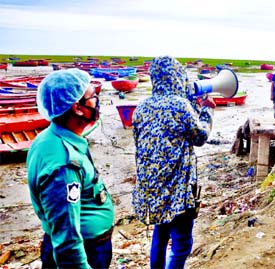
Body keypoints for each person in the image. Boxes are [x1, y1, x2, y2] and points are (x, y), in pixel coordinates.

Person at [132, 56, 215, 269]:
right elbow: (200, 137)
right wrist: (206, 110)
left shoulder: (141, 108)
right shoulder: (180, 105)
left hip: (152, 189)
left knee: (160, 235)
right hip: (178, 189)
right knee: (182, 245)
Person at [27, 69, 114, 269]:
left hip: (88, 246)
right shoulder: (64, 164)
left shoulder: (50, 137)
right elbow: (67, 240)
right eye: (93, 97)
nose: (97, 101)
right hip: (85, 251)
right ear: (77, 108)